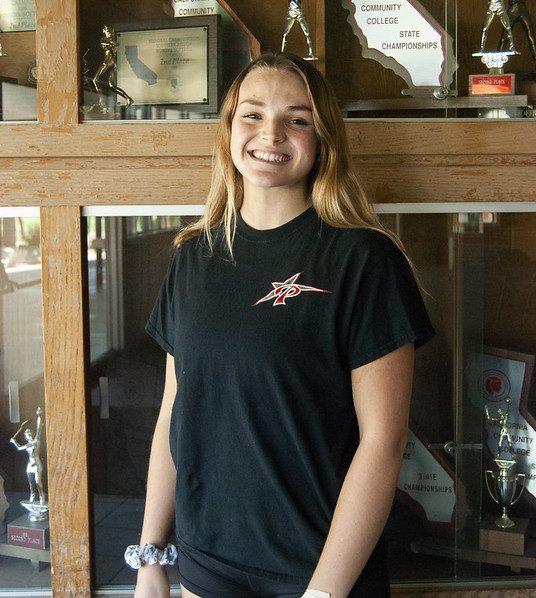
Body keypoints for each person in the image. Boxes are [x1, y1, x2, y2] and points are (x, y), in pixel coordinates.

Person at [132, 52, 436, 598]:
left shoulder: (363, 260)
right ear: (229, 130)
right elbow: (173, 414)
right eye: (252, 114)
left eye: (296, 119)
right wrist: (151, 554)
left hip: (321, 571)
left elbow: (383, 442)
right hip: (208, 568)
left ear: (321, 140)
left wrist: (323, 592)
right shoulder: (191, 257)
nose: (270, 133)